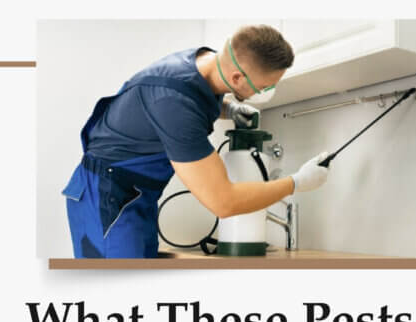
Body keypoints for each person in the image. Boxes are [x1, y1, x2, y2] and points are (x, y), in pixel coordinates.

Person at [61, 25, 330, 259]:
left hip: (133, 195)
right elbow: (222, 202)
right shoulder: (173, 101)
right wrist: (297, 182)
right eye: (264, 86)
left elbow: (185, 101)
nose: (264, 92)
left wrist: (229, 109)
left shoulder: (203, 64)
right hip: (106, 195)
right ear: (237, 78)